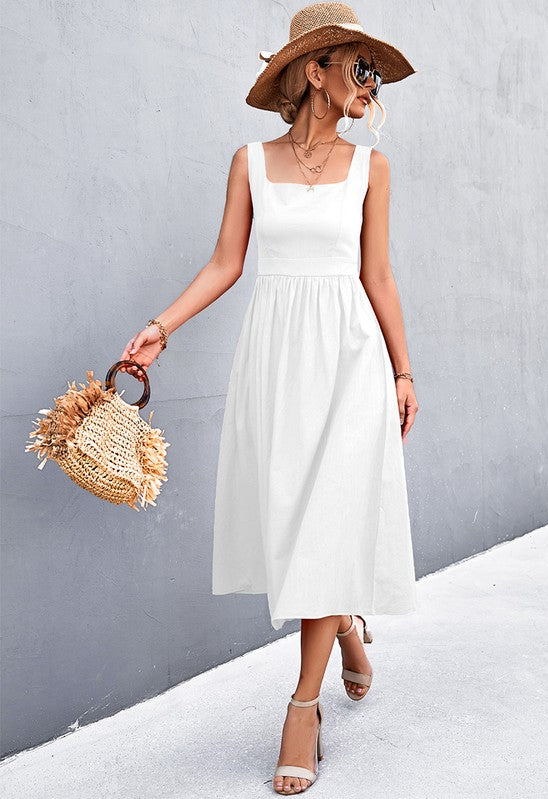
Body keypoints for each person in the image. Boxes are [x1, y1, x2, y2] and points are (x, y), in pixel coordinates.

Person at [119, 3, 419, 793]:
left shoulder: (371, 169)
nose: (370, 83)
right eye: (359, 66)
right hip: (279, 363)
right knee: (294, 522)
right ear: (314, 71)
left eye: (373, 71)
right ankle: (347, 624)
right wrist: (162, 326)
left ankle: (301, 705)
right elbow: (225, 263)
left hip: (351, 357)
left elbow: (377, 276)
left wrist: (403, 369)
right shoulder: (248, 161)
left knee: (327, 519)